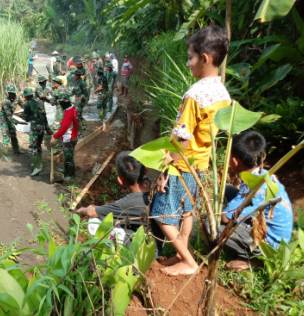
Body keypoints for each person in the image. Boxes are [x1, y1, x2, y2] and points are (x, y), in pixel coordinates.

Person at [150, 25, 231, 275]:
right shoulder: (222, 92)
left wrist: (166, 165)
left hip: (183, 163)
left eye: (191, 58)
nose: (188, 64)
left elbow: (182, 137)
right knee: (186, 210)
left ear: (205, 58)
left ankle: (188, 261)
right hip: (201, 163)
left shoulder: (194, 94)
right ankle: (180, 253)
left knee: (162, 214)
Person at [221, 131, 293, 271]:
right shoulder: (262, 174)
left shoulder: (254, 187)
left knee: (211, 227)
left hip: (271, 247)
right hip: (280, 236)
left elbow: (225, 218)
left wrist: (219, 214)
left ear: (235, 161)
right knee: (229, 190)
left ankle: (256, 261)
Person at [77, 151, 149, 232]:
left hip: (142, 238)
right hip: (152, 230)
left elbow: (92, 212)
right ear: (146, 170)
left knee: (94, 221)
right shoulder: (158, 187)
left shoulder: (125, 204)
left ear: (120, 181)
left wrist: (82, 210)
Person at [22, 87, 51, 176]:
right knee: (38, 145)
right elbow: (44, 115)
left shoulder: (26, 104)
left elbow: (26, 119)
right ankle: (39, 163)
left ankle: (37, 167)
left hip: (35, 129)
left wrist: (24, 116)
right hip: (42, 127)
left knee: (33, 147)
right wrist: (47, 128)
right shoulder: (40, 102)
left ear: (26, 96)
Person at [51, 91, 79, 181]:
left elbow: (64, 128)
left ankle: (69, 176)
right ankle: (69, 172)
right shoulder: (72, 109)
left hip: (69, 138)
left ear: (65, 102)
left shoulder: (69, 112)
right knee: (69, 156)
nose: (60, 104)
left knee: (68, 157)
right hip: (73, 136)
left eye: (61, 102)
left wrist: (54, 136)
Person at [0, 84, 22, 160]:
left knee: (13, 134)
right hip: (3, 119)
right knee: (6, 135)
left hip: (10, 118)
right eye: (10, 93)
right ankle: (4, 156)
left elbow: (23, 105)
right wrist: (16, 121)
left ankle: (16, 150)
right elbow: (8, 115)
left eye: (13, 93)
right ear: (7, 93)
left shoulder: (17, 98)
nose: (12, 94)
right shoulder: (5, 102)